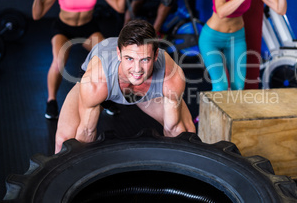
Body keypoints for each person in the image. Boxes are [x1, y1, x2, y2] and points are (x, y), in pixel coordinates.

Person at [54, 19, 196, 153]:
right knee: (65, 142)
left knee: (186, 134)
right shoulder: (96, 80)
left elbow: (173, 128)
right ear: (119, 54)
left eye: (145, 59)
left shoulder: (171, 76)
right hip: (105, 85)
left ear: (156, 55)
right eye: (129, 59)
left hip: (146, 89)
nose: (137, 69)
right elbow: (86, 132)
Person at [32, 0, 126, 119]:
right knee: (58, 61)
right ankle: (51, 101)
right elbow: (37, 15)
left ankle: (104, 97)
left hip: (87, 28)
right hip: (63, 29)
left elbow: (119, 8)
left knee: (107, 58)